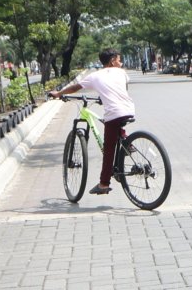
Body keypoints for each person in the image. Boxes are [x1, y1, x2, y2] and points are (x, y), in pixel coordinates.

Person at [49, 48, 134, 195]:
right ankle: (127, 143)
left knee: (108, 149)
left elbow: (75, 88)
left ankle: (103, 184)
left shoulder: (94, 76)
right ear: (112, 61)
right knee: (115, 127)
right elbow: (121, 89)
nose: (121, 63)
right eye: (119, 60)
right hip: (129, 109)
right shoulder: (122, 72)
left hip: (114, 113)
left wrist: (59, 93)